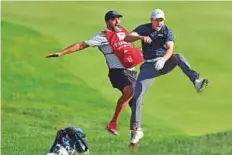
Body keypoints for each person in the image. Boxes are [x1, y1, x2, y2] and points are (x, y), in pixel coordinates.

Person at [46, 10, 140, 135]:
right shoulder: (103, 36)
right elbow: (81, 45)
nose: (117, 21)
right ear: (107, 22)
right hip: (117, 72)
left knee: (136, 103)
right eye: (113, 19)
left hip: (131, 72)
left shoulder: (125, 33)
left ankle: (135, 136)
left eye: (118, 19)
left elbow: (131, 51)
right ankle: (113, 123)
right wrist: (62, 52)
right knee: (130, 90)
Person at [124, 9, 209, 145]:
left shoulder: (167, 31)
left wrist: (163, 60)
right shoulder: (144, 28)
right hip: (149, 67)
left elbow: (170, 49)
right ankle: (136, 130)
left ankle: (196, 81)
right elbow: (127, 37)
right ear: (151, 20)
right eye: (156, 20)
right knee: (138, 97)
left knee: (178, 57)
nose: (159, 22)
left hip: (163, 62)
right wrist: (141, 37)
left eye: (161, 20)